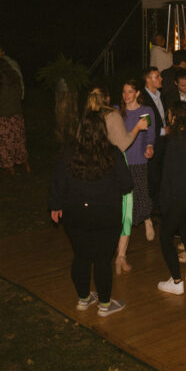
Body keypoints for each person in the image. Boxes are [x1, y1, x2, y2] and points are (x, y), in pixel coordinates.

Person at [48, 111, 133, 317]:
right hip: (106, 215)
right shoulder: (112, 154)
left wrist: (55, 206)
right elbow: (126, 185)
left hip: (76, 215)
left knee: (81, 256)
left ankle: (83, 299)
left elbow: (58, 183)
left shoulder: (69, 153)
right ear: (103, 131)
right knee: (103, 259)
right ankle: (104, 304)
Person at [85, 86, 150, 274]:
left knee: (101, 212)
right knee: (125, 214)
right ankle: (120, 257)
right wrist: (138, 127)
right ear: (106, 97)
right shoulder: (112, 115)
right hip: (114, 168)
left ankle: (99, 254)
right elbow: (122, 144)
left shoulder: (87, 116)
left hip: (93, 169)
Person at [156, 102, 186, 294]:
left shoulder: (175, 139)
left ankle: (176, 281)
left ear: (176, 117)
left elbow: (168, 174)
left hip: (177, 198)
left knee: (165, 237)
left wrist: (164, 204)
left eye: (170, 115)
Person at [120, 79, 157, 248]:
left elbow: (150, 134)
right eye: (124, 92)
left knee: (141, 193)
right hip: (121, 161)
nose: (126, 95)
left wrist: (149, 147)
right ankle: (123, 228)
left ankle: (147, 219)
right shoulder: (117, 111)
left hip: (139, 159)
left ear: (137, 93)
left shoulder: (145, 111)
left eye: (129, 91)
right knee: (123, 197)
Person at [0, 58, 30, 175]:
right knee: (18, 140)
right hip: (17, 114)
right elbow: (20, 93)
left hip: (4, 116)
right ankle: (24, 163)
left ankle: (9, 167)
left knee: (5, 142)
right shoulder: (14, 77)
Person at [143, 66, 169, 211]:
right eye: (157, 76)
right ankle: (151, 210)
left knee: (160, 176)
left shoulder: (160, 95)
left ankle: (159, 206)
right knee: (152, 178)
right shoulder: (143, 99)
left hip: (162, 144)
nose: (161, 79)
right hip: (151, 144)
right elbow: (145, 126)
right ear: (148, 80)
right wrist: (164, 131)